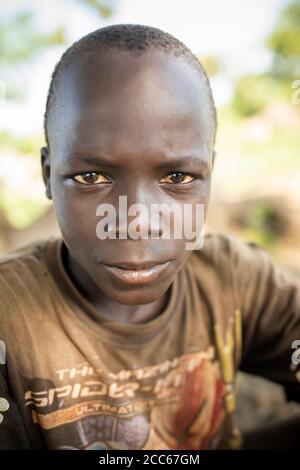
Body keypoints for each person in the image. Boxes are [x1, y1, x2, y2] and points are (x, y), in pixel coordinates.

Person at [0, 24, 299, 450]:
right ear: (48, 174)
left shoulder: (234, 280)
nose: (138, 221)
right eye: (92, 176)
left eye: (177, 176)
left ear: (209, 172)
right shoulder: (9, 321)